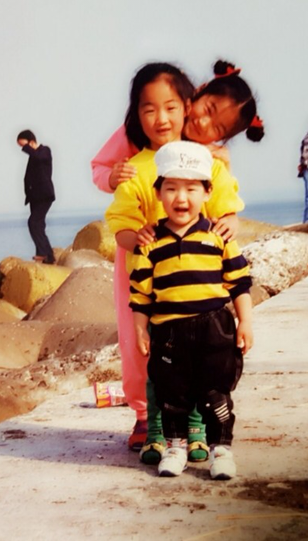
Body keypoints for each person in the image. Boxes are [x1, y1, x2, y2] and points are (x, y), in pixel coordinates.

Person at [96, 61, 263, 463]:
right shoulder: (138, 147)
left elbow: (223, 200)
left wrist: (231, 220)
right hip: (143, 267)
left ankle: (193, 421)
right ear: (196, 96)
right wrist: (112, 177)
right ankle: (145, 417)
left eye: (216, 126)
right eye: (206, 110)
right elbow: (102, 173)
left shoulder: (207, 158)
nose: (164, 117)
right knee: (138, 345)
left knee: (196, 347)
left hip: (192, 276)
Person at [130, 141, 253, 479]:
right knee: (172, 395)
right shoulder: (150, 243)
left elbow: (240, 283)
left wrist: (245, 322)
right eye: (171, 188)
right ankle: (175, 448)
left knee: (216, 394)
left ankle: (221, 450)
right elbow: (140, 294)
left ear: (207, 192)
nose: (181, 198)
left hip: (214, 329)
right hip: (169, 333)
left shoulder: (219, 237)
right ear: (158, 193)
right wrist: (140, 329)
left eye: (191, 189)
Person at [17, 129, 55, 264]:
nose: (23, 150)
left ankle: (45, 253)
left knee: (33, 223)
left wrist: (28, 149)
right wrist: (28, 193)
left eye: (24, 146)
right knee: (39, 225)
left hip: (45, 195)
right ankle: (44, 255)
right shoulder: (33, 156)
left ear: (32, 142)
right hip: (35, 197)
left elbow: (39, 158)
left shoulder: (45, 151)